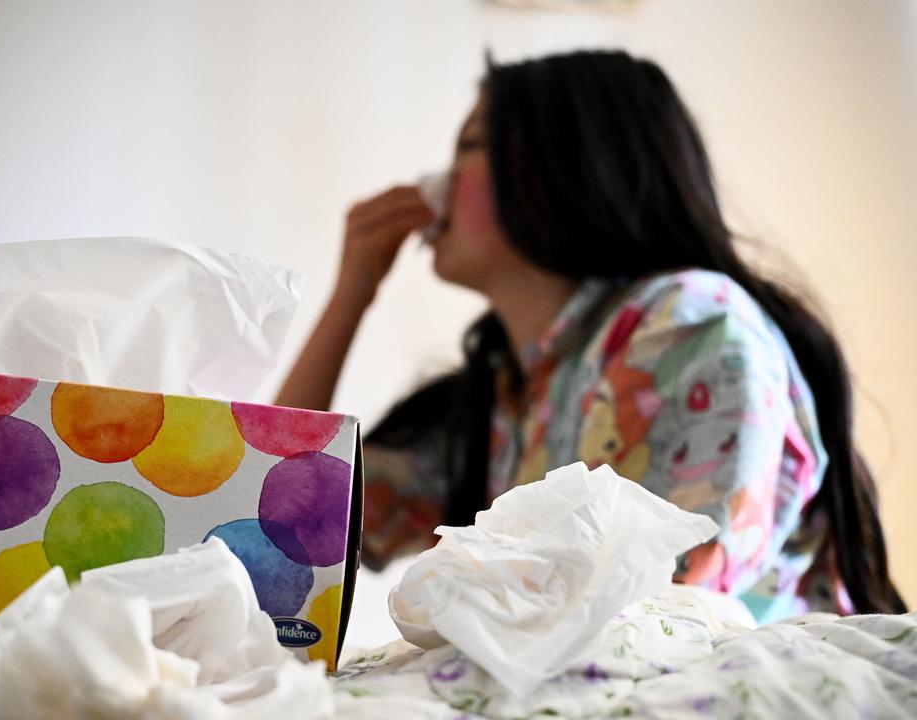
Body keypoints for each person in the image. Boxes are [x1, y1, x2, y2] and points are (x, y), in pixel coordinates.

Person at [274, 49, 906, 621]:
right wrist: (349, 296)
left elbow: (668, 611)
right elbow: (280, 515)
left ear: (559, 168)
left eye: (469, 146)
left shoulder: (689, 328)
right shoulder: (497, 405)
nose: (434, 183)